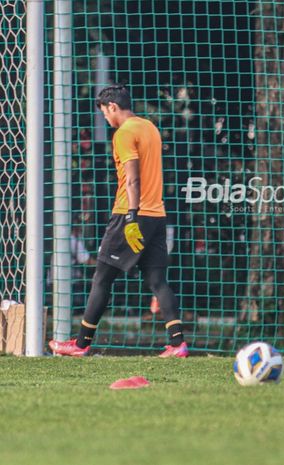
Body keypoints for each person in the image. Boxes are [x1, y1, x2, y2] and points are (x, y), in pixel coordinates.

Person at [49, 84, 188, 357]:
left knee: (101, 278)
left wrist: (131, 216)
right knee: (158, 281)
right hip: (158, 215)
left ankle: (80, 344)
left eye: (104, 112)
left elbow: (133, 177)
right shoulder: (149, 127)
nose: (105, 118)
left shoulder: (124, 133)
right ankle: (177, 343)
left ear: (112, 106)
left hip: (131, 214)